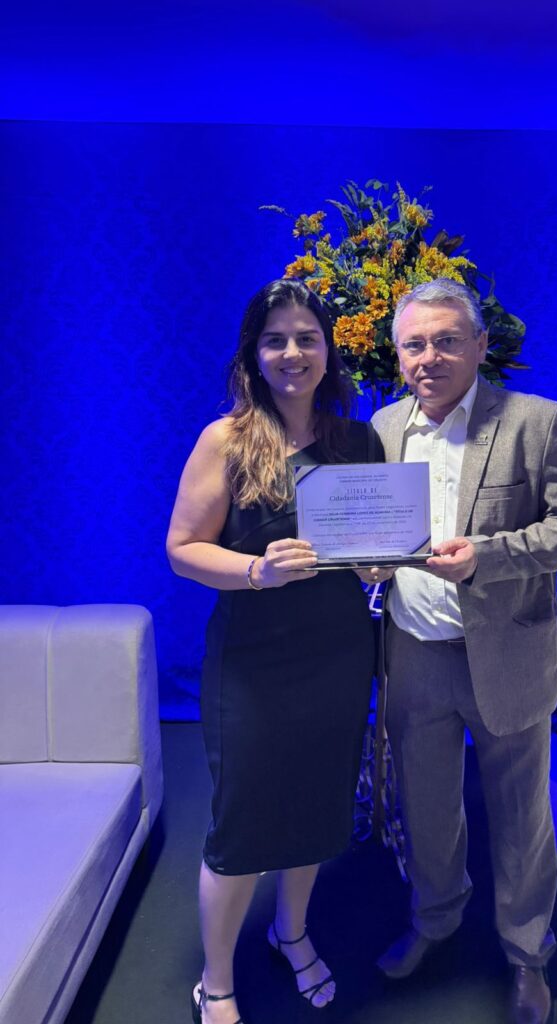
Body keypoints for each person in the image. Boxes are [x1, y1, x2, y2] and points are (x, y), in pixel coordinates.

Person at [368, 278, 557, 1024]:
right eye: (414, 344)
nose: (428, 357)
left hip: (508, 653)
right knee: (427, 807)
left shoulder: (536, 421)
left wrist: (487, 557)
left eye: (445, 340)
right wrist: (368, 563)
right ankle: (435, 920)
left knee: (521, 814)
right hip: (414, 652)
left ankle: (528, 953)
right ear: (398, 355)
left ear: (478, 345)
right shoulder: (384, 427)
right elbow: (380, 533)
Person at [167, 279, 379, 1024]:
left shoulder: (358, 442)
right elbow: (182, 550)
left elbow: (373, 551)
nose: (293, 352)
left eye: (307, 338)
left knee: (317, 805)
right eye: (276, 340)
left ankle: (291, 933)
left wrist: (380, 564)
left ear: (329, 350)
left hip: (339, 656)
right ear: (253, 354)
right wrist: (258, 569)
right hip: (253, 664)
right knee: (244, 821)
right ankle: (217, 980)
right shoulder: (225, 440)